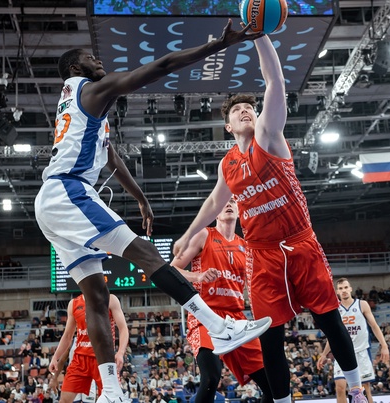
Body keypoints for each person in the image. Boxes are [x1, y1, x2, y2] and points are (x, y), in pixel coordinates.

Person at [34, 20, 270, 403]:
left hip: (52, 202)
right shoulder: (93, 90)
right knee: (145, 252)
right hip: (68, 191)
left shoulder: (76, 103)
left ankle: (111, 391)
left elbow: (111, 158)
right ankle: (218, 326)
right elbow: (160, 67)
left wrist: (141, 198)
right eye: (91, 58)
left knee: (96, 295)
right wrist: (217, 45)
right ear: (77, 68)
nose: (99, 61)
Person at [173, 34, 366, 403]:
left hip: (300, 242)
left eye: (250, 107)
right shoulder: (227, 164)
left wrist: (259, 34)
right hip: (262, 254)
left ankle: (356, 390)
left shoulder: (269, 135)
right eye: (237, 111)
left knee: (328, 319)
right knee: (270, 339)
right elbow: (214, 201)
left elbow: (274, 80)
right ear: (228, 126)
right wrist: (188, 233)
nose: (246, 111)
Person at [171, 198, 272, 403]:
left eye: (233, 201)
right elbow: (172, 269)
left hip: (236, 317)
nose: (228, 204)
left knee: (272, 385)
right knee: (211, 377)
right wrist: (197, 276)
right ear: (215, 212)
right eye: (224, 201)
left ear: (239, 210)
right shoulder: (204, 235)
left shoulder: (245, 246)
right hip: (206, 315)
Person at [317, 278, 390, 403]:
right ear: (337, 292)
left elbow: (374, 326)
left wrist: (384, 345)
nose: (344, 290)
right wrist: (324, 354)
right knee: (340, 387)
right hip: (342, 352)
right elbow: (333, 335)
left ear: (350, 289)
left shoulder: (362, 304)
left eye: (346, 287)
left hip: (361, 351)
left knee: (364, 389)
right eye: (341, 288)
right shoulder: (335, 309)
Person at [49, 294, 128, 403]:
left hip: (103, 358)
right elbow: (67, 335)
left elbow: (123, 328)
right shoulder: (74, 303)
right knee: (64, 400)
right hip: (80, 359)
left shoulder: (110, 299)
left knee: (112, 399)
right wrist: (55, 357)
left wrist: (120, 352)